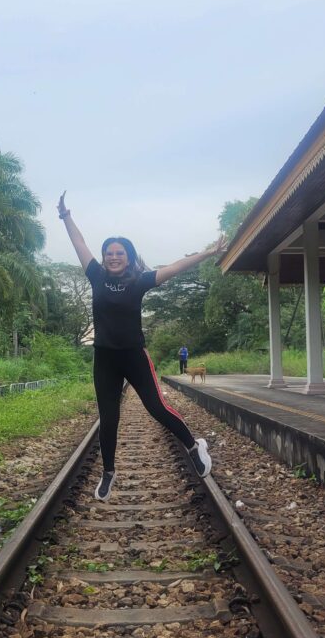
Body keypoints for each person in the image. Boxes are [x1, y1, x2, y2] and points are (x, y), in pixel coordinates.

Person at [57, 192, 226, 501]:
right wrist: (66, 216)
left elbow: (175, 267)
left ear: (129, 256)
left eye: (119, 253)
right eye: (109, 252)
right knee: (108, 417)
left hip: (134, 356)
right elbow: (79, 244)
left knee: (156, 407)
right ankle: (108, 473)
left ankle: (193, 446)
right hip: (105, 359)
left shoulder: (140, 280)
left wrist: (206, 253)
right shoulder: (95, 275)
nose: (113, 257)